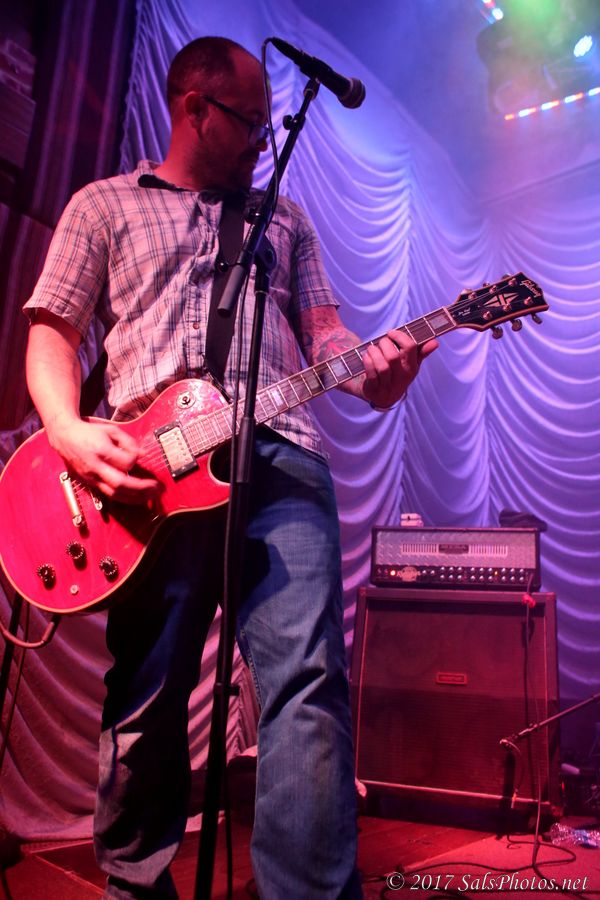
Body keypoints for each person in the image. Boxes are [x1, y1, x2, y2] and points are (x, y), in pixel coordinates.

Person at [23, 36, 437, 899]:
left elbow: (324, 334)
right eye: (250, 122)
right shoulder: (103, 204)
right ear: (194, 108)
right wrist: (66, 429)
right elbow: (52, 332)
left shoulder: (284, 220)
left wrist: (375, 374)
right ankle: (137, 888)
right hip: (149, 479)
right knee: (147, 691)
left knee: (307, 683)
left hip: (283, 457)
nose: (262, 141)